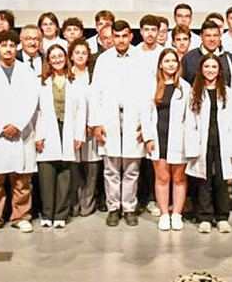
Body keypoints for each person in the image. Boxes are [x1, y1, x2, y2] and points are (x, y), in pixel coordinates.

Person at [0, 30, 42, 235]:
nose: (8, 49)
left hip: (21, 131)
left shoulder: (27, 71)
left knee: (21, 178)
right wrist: (0, 125)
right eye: (3, 45)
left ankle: (21, 216)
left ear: (16, 48)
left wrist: (18, 125)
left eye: (12, 45)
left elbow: (32, 100)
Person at [92, 21, 153, 227]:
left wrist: (145, 125)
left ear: (130, 36)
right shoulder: (104, 59)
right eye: (116, 36)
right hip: (109, 117)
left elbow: (148, 93)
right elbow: (95, 92)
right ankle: (113, 208)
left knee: (131, 168)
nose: (120, 40)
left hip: (133, 118)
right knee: (110, 168)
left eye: (124, 36)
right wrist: (96, 122)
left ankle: (128, 207)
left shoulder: (140, 58)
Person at [184, 53, 232, 234]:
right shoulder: (195, 91)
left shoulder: (227, 92)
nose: (210, 70)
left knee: (221, 179)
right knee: (204, 179)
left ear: (219, 70)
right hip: (203, 142)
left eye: (214, 67)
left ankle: (222, 216)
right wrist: (192, 146)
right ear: (201, 69)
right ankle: (205, 217)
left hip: (222, 142)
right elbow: (190, 121)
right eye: (207, 67)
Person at [36, 44, 86, 228]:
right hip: (48, 130)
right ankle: (47, 213)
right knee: (47, 174)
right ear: (48, 60)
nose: (57, 60)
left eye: (60, 56)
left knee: (66, 174)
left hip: (68, 129)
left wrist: (79, 135)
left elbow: (81, 110)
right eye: (53, 57)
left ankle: (61, 215)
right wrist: (38, 136)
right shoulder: (41, 82)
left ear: (66, 58)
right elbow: (38, 112)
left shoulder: (75, 82)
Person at [143, 48, 189, 231]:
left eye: (173, 61)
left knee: (179, 178)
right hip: (158, 138)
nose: (170, 64)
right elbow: (145, 114)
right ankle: (164, 214)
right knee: (162, 177)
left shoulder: (185, 87)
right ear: (160, 64)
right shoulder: (152, 85)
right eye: (167, 61)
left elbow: (190, 115)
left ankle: (176, 214)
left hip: (180, 139)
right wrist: (148, 137)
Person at [68, 40, 103, 217]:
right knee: (74, 170)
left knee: (91, 170)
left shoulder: (93, 76)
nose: (80, 56)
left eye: (84, 52)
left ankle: (87, 204)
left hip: (91, 129)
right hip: (72, 130)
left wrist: (91, 124)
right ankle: (74, 204)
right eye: (77, 52)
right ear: (71, 55)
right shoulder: (67, 76)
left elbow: (98, 102)